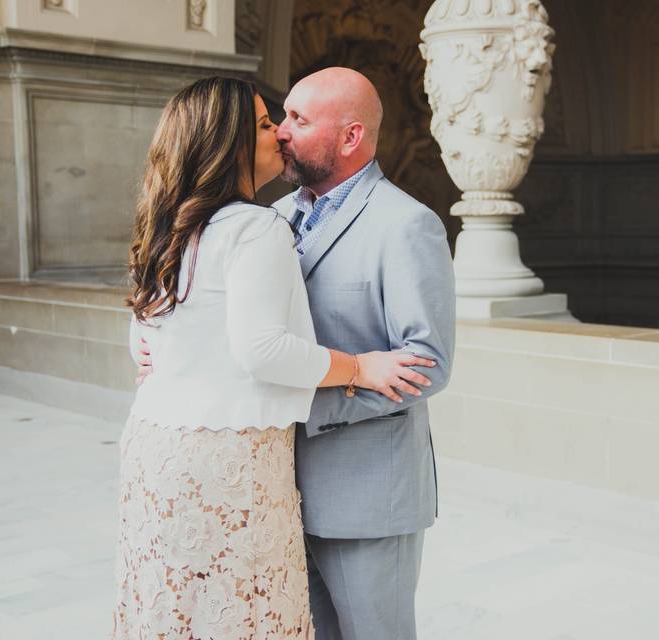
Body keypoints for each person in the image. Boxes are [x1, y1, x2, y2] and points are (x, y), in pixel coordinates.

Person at [138, 67, 457, 639]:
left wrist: (301, 406)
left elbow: (425, 366)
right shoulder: (265, 219)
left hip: (363, 492)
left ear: (350, 137)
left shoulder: (406, 225)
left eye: (298, 120)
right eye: (279, 118)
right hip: (270, 489)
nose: (281, 131)